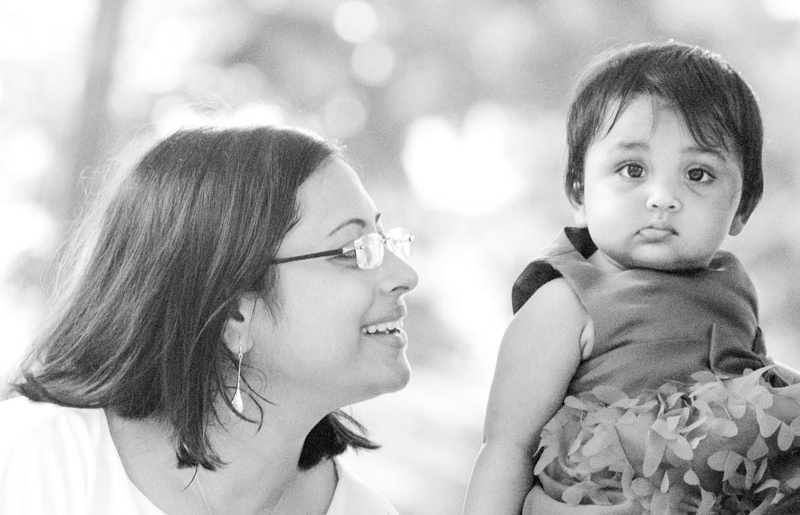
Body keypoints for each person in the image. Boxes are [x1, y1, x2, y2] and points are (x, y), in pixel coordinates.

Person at [0, 125, 419, 514]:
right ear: (234, 314)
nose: (406, 276)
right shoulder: (32, 463)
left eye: (381, 241)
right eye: (351, 250)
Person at [463, 41, 800, 514]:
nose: (662, 196)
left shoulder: (732, 286)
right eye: (632, 169)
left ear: (742, 207)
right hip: (617, 483)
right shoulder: (567, 299)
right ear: (580, 189)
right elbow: (505, 447)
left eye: (699, 174)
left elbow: (756, 397)